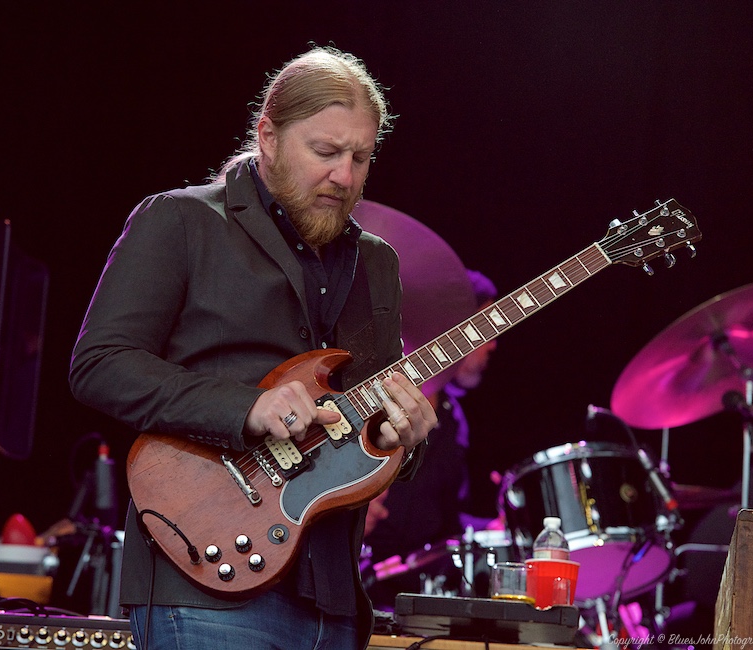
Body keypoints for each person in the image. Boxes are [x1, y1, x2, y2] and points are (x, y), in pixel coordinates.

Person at [68, 46, 437, 650]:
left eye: (360, 158)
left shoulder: (377, 263)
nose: (344, 176)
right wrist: (245, 407)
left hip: (335, 598)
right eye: (325, 152)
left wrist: (407, 438)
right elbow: (99, 365)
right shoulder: (180, 221)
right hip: (204, 586)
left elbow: (372, 426)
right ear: (267, 135)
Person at [363, 270, 499, 606]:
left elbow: (441, 522)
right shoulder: (374, 397)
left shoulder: (454, 418)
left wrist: (493, 531)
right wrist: (349, 511)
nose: (493, 345)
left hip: (417, 594)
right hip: (357, 583)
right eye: (486, 331)